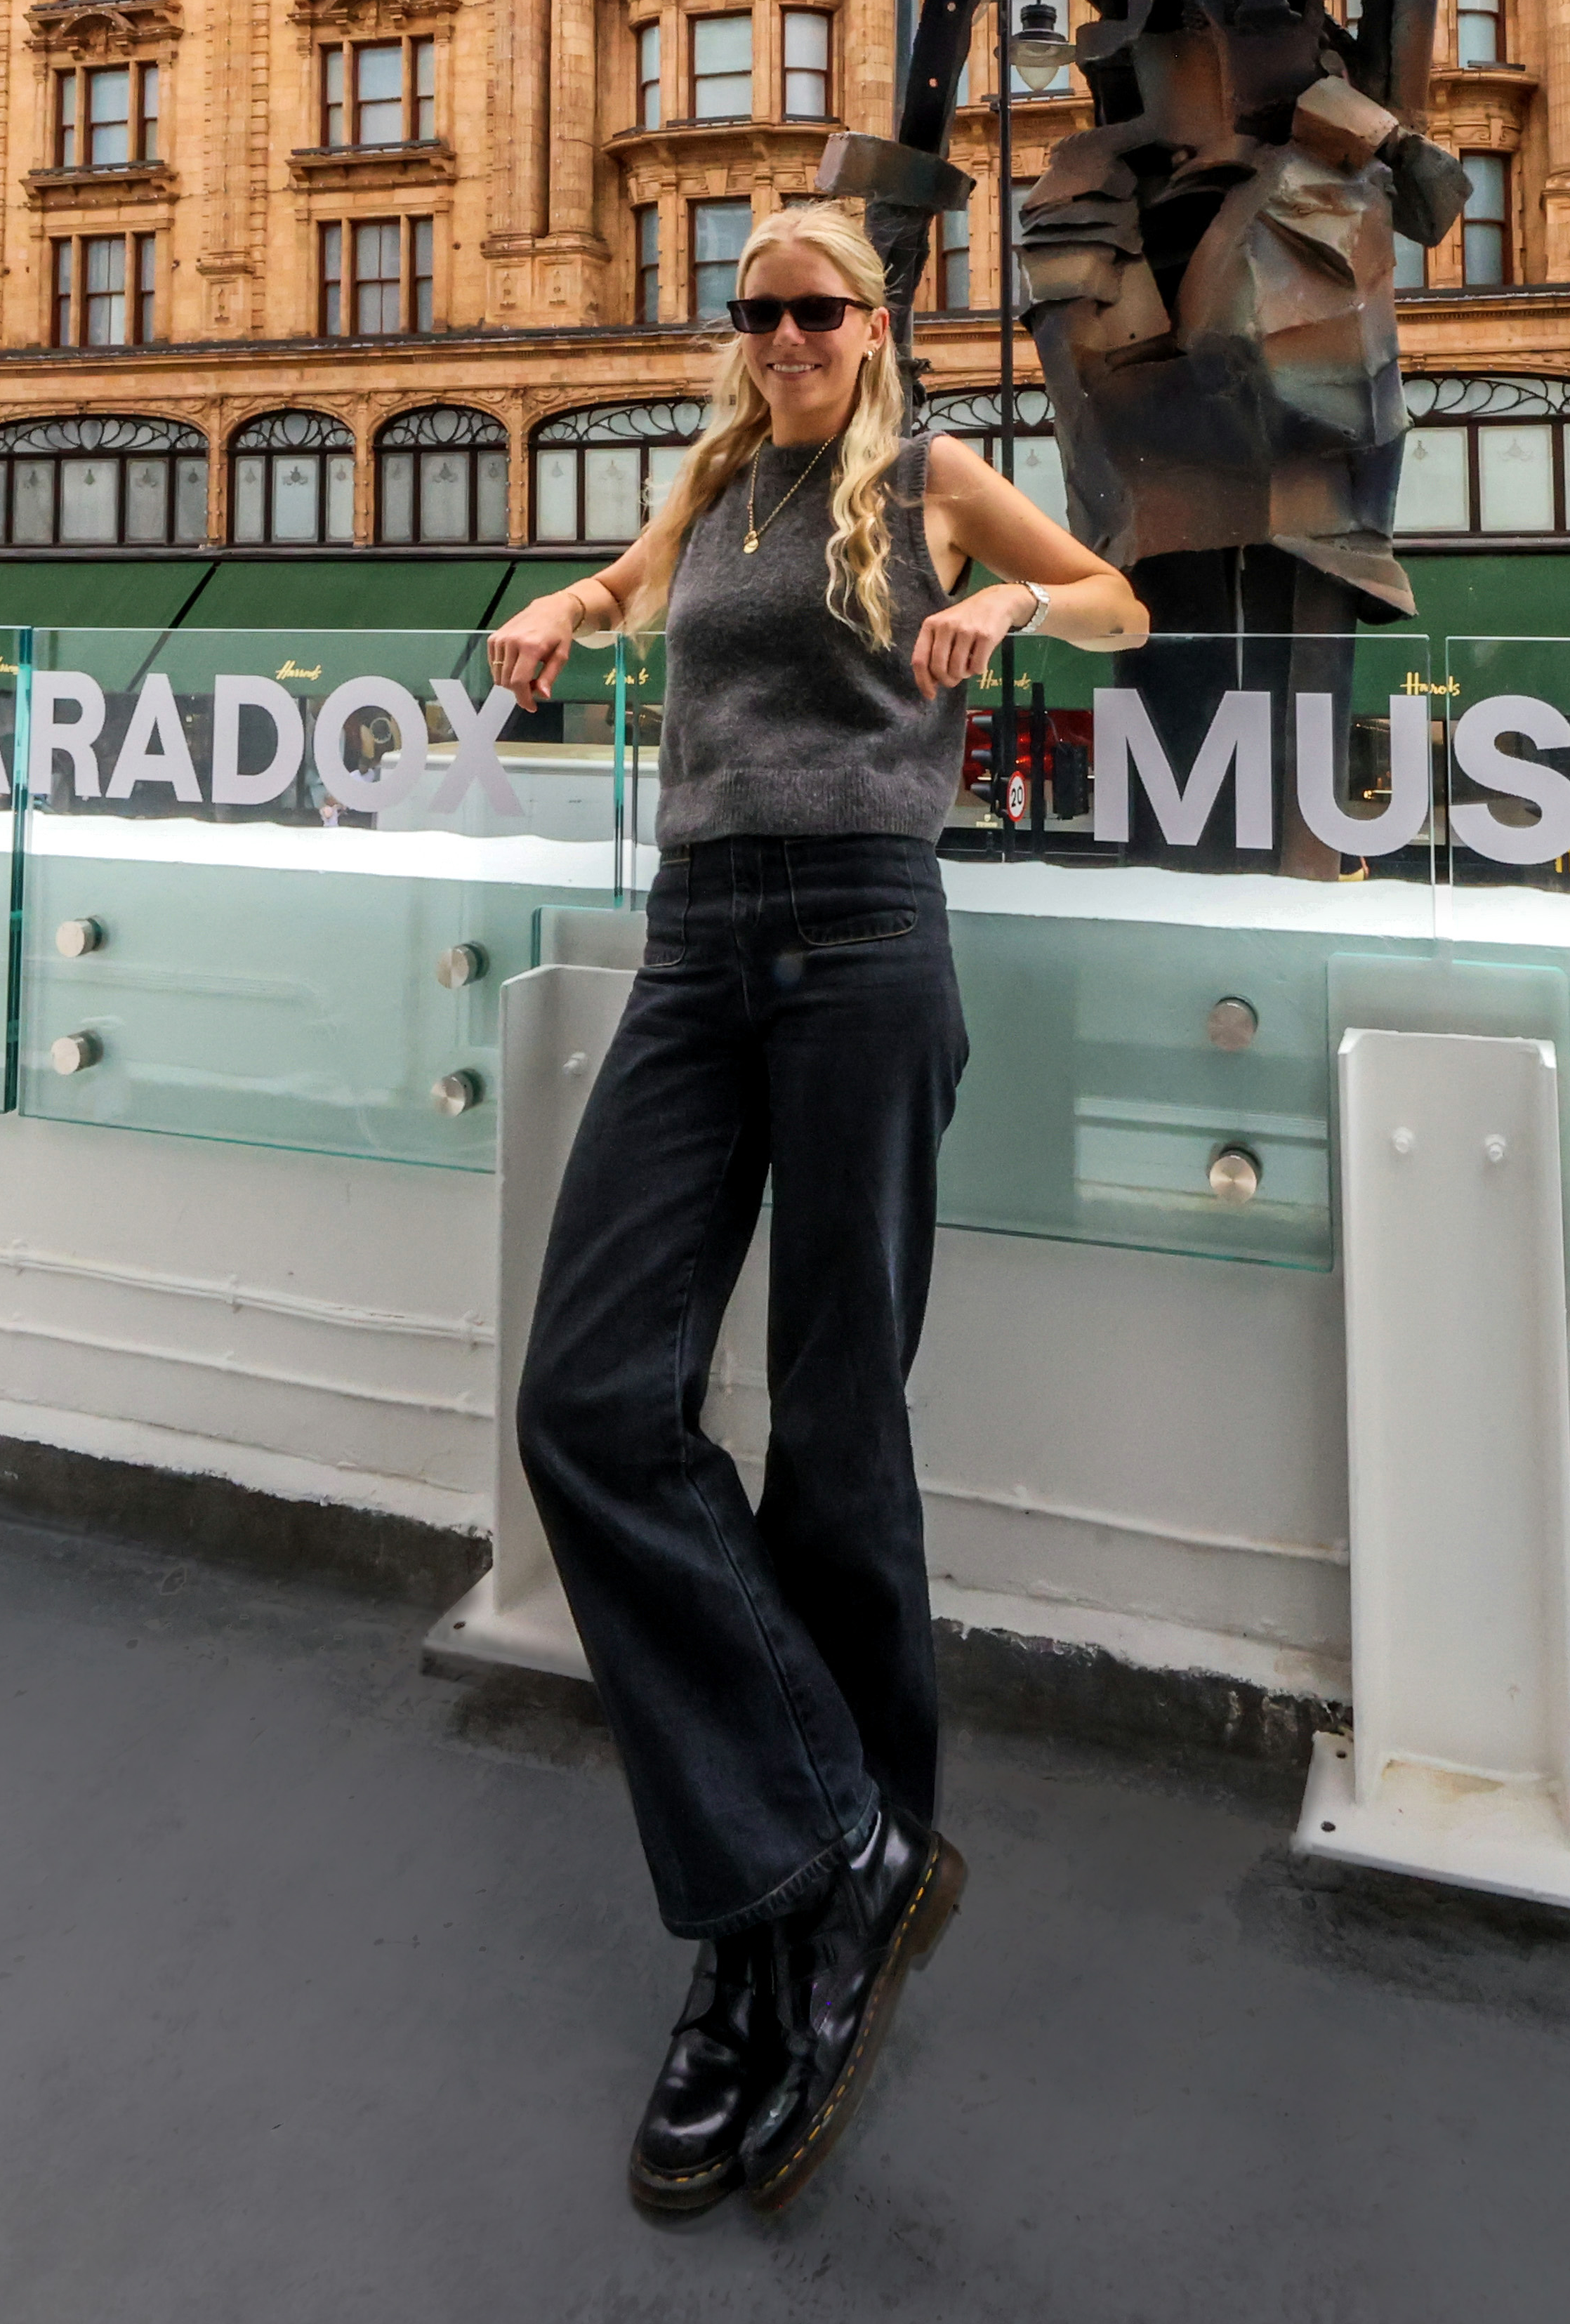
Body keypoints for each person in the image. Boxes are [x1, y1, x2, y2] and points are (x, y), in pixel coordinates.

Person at [485, 206, 1147, 2222]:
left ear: (880, 322)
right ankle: (835, 1849)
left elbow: (1123, 595)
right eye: (758, 309)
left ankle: (768, 1947)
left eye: (818, 308)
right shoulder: (712, 479)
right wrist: (557, 617)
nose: (785, 335)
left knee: (839, 1426)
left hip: (868, 937)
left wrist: (1014, 618)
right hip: (699, 944)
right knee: (591, 1405)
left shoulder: (935, 474)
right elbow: (619, 589)